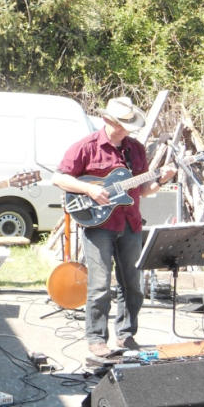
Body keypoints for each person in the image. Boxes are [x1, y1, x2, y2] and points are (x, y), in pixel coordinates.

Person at [52, 96, 175, 358]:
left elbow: (144, 190)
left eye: (127, 125)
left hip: (130, 223)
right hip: (98, 224)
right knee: (99, 285)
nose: (124, 129)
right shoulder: (86, 147)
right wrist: (89, 190)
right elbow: (59, 177)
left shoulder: (136, 149)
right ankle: (96, 337)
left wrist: (162, 180)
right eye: (120, 124)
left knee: (133, 284)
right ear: (107, 120)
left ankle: (126, 334)